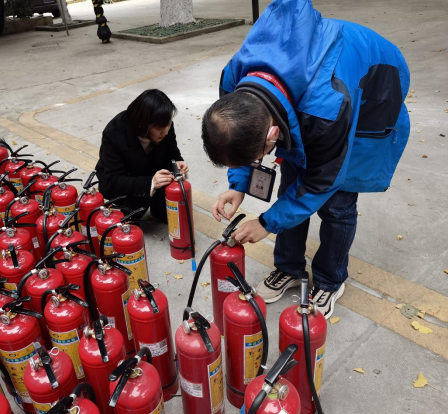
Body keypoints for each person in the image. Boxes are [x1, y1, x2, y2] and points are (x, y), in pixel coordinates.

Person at [201, 0, 410, 319]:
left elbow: (321, 180)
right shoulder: (233, 82)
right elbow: (238, 139)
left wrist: (266, 224)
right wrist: (238, 185)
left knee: (337, 201)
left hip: (375, 87)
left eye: (260, 152)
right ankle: (289, 267)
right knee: (291, 184)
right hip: (307, 90)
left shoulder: (328, 107)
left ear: (273, 135)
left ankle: (330, 279)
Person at [96, 89, 188, 222]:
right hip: (125, 182)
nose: (165, 132)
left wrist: (177, 161)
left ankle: (157, 206)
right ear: (142, 125)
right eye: (160, 129)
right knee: (131, 221)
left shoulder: (163, 123)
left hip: (151, 170)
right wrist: (150, 183)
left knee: (168, 211)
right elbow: (114, 180)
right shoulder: (114, 133)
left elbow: (171, 150)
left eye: (168, 125)